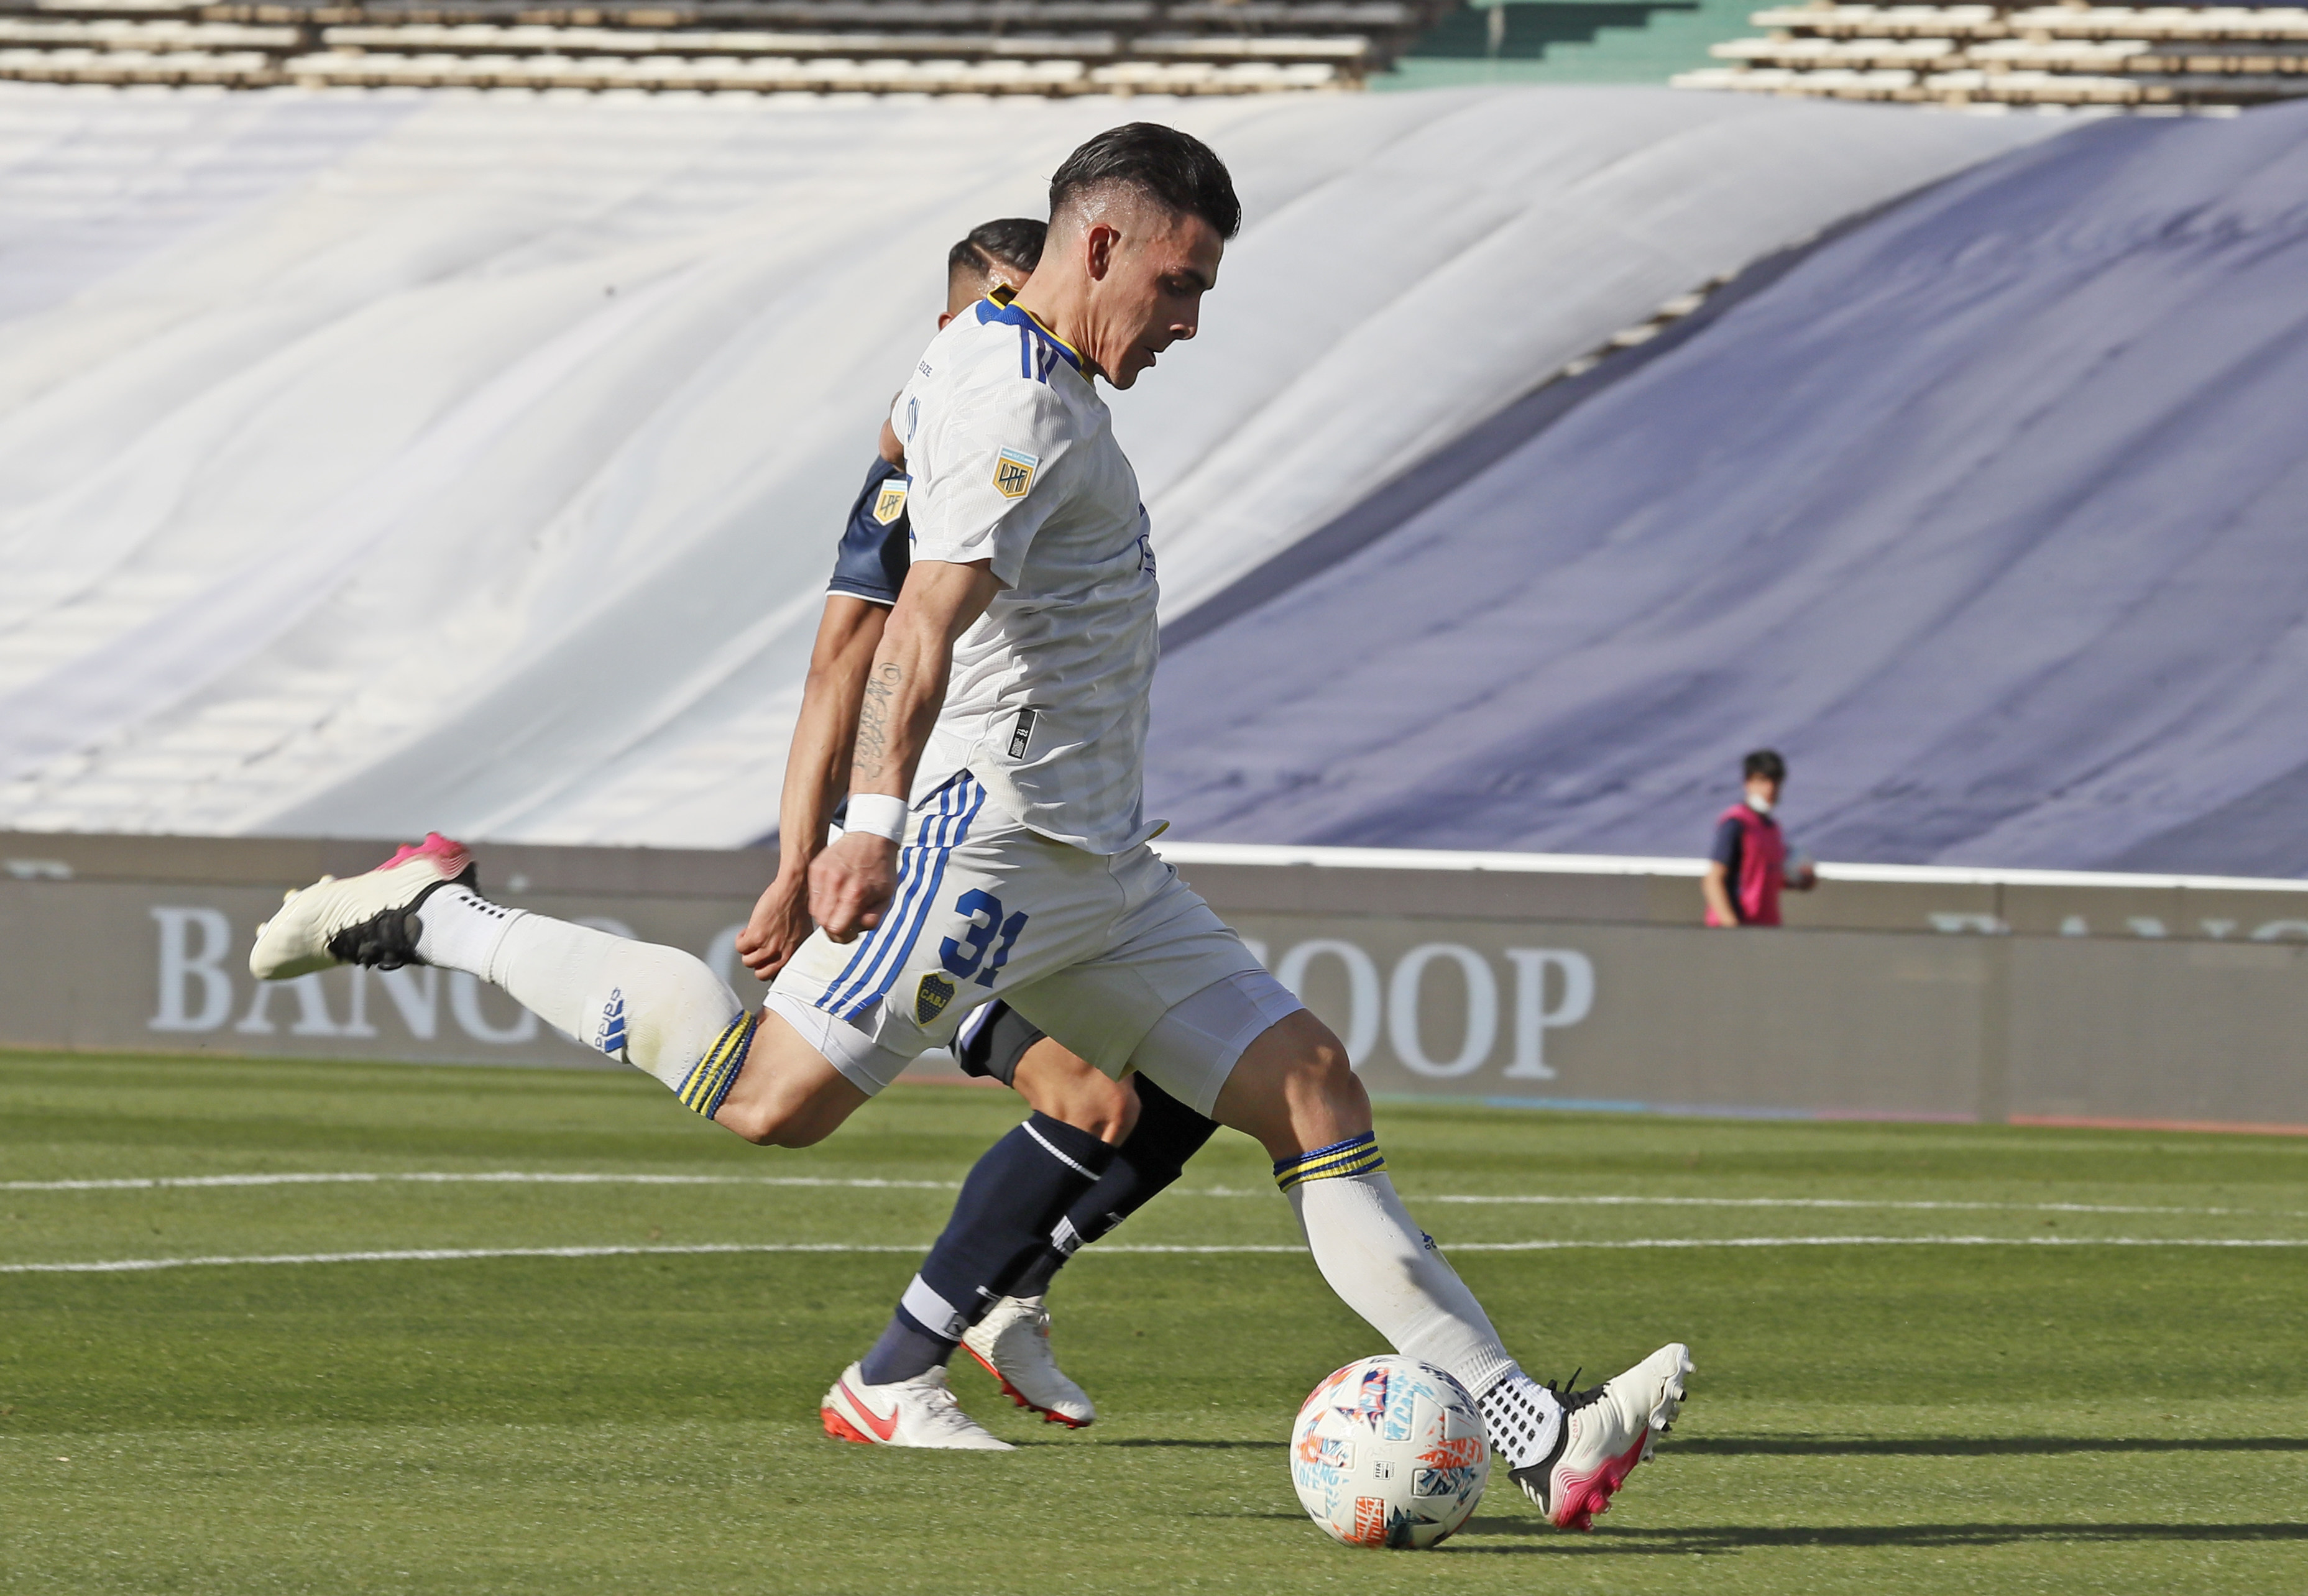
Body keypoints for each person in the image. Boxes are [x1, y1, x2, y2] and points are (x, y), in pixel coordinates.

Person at [248, 123, 1689, 1528]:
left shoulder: (998, 366)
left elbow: (885, 561)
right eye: (1177, 284)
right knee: (766, 1099)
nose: (1187, 322)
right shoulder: (1015, 403)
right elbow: (914, 628)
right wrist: (865, 825)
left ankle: (1534, 1435)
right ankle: (436, 913)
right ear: (1099, 243)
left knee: (1313, 1090)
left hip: (1100, 869)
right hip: (986, 845)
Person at [733, 215, 1221, 1433]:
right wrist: (808, 852)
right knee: (1082, 1101)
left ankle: (1000, 1298)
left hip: (1040, 835)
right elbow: (843, 663)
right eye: (1001, 304)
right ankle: (913, 1358)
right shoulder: (934, 449)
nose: (1025, 328)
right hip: (945, 838)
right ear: (963, 314)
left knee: (1179, 1091)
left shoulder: (1030, 422)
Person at [1701, 748, 1817, 928]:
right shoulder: (1737, 822)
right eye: (1762, 780)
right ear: (1747, 783)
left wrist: (1801, 882)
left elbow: (1763, 877)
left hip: (1765, 928)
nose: (1770, 788)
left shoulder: (1773, 828)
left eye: (1775, 781)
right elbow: (1713, 881)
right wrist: (1731, 928)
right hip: (1738, 929)